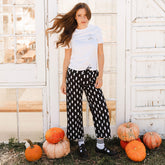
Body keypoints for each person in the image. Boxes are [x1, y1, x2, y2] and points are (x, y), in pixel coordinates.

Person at [46, 2, 117, 159]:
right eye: (79, 15)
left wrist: (100, 76)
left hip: (91, 74)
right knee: (74, 110)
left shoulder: (96, 31)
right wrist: (63, 80)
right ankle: (81, 144)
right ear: (75, 17)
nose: (83, 18)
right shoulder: (70, 33)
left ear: (88, 16)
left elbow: (100, 54)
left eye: (85, 15)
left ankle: (100, 145)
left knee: (100, 107)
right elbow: (67, 58)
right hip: (74, 75)